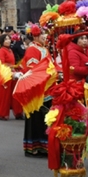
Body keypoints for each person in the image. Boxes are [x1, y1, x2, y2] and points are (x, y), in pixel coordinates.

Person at [19, 25, 52, 157]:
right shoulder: (33, 49)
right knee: (36, 117)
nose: (46, 37)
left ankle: (43, 145)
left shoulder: (43, 48)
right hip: (37, 88)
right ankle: (35, 146)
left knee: (44, 117)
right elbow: (33, 70)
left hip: (46, 87)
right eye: (43, 34)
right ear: (36, 35)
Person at [0, 34, 21, 120]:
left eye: (9, 39)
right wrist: (13, 67)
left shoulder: (10, 50)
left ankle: (18, 112)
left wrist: (17, 66)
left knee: (16, 93)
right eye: (6, 39)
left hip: (13, 73)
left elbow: (12, 63)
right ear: (2, 41)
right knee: (4, 95)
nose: (8, 41)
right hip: (5, 74)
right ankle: (1, 113)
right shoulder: (1, 51)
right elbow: (1, 63)